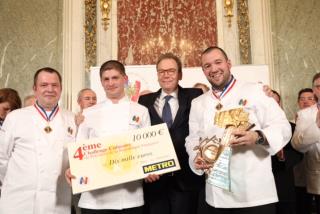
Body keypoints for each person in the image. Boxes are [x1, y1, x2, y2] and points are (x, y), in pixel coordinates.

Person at [185, 46, 291, 214]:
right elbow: (193, 138)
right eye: (207, 66)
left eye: (218, 62)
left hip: (255, 194)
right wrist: (196, 157)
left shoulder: (255, 90)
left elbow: (283, 127)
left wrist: (257, 136)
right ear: (203, 70)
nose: (213, 69)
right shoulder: (198, 103)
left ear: (228, 64)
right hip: (216, 195)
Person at [66, 60, 150, 214]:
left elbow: (148, 148)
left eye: (115, 78)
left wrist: (151, 168)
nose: (110, 83)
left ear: (124, 79)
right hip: (95, 199)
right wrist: (73, 168)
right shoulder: (89, 113)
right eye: (106, 79)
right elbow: (79, 150)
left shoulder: (141, 111)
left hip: (130, 196)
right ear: (101, 82)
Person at [0, 67, 76, 213]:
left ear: (61, 89)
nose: (50, 89)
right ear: (35, 89)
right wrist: (16, 183)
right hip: (19, 201)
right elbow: (2, 159)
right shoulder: (15, 117)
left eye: (55, 85)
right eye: (44, 85)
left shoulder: (72, 119)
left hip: (57, 201)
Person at [138, 53, 205, 214]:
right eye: (161, 71)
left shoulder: (195, 96)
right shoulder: (144, 101)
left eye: (171, 71)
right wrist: (144, 169)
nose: (166, 75)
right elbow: (137, 137)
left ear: (180, 74)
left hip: (186, 179)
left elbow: (216, 103)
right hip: (155, 180)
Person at [292, 73, 320, 214]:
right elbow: (297, 145)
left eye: (308, 99)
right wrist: (317, 125)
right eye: (319, 87)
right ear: (315, 90)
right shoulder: (304, 115)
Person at [270, 90, 302, 214]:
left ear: (280, 105)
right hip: (258, 189)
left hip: (283, 182)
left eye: (276, 102)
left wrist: (282, 156)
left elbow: (298, 152)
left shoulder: (292, 127)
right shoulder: (250, 129)